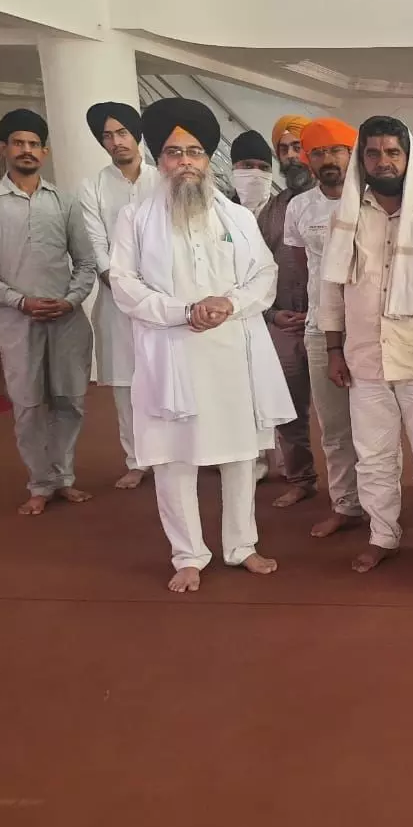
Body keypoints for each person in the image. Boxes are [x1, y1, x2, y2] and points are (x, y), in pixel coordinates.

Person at [109, 98, 294, 593]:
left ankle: (242, 546)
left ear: (208, 158)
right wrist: (182, 311)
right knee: (174, 458)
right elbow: (123, 284)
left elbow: (265, 274)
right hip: (171, 353)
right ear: (159, 159)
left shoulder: (236, 216)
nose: (185, 162)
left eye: (194, 152)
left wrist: (229, 303)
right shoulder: (135, 218)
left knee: (239, 456)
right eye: (174, 153)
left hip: (233, 351)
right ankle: (188, 554)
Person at [318, 115, 413, 575]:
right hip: (365, 357)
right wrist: (333, 349)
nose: (383, 161)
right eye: (373, 153)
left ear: (408, 159)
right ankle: (382, 534)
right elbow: (330, 290)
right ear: (361, 160)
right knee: (373, 456)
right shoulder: (344, 217)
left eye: (392, 152)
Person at [0, 109, 96, 515]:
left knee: (69, 402)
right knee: (27, 405)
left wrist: (71, 299)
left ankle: (64, 478)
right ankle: (39, 484)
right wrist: (18, 301)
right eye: (18, 143)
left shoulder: (65, 202)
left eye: (34, 144)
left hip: (66, 320)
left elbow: (86, 263)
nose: (27, 150)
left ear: (45, 152)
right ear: (2, 149)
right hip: (17, 321)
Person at [281, 116, 366, 538]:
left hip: (371, 327)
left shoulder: (372, 201)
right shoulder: (299, 207)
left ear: (351, 155)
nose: (328, 159)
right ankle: (346, 504)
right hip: (320, 328)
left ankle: (381, 505)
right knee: (333, 425)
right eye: (318, 153)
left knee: (376, 423)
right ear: (308, 159)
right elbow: (302, 267)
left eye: (336, 151)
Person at [79, 101, 160, 490]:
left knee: (168, 375)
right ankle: (137, 460)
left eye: (122, 132)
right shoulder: (92, 186)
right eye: (107, 136)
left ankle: (175, 452)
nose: (116, 142)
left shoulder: (162, 179)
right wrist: (121, 285)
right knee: (126, 384)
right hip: (116, 300)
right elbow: (96, 243)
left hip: (163, 296)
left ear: (136, 135)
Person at [259, 114, 320, 509]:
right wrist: (272, 314)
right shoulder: (271, 210)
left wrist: (321, 313)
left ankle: (354, 491)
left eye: (299, 147)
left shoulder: (336, 202)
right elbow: (253, 268)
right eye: (284, 149)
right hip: (283, 321)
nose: (292, 155)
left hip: (331, 325)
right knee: (289, 408)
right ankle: (301, 478)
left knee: (345, 414)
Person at [229, 130, 275, 215]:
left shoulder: (284, 215)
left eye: (264, 167)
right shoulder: (220, 212)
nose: (256, 174)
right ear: (233, 169)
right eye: (248, 166)